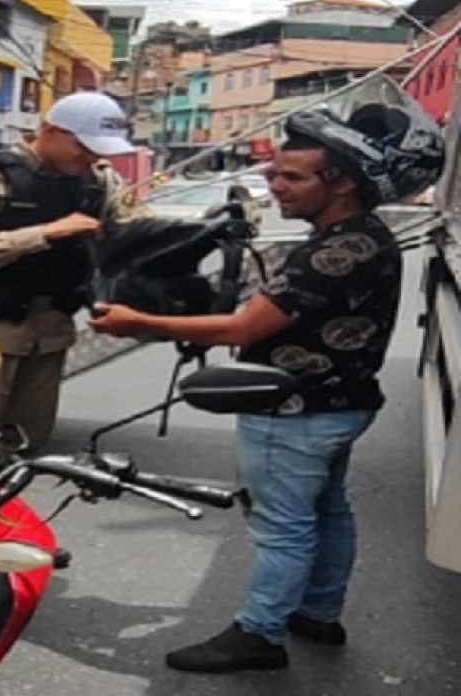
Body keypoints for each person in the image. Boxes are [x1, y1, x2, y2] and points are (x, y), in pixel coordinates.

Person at [90, 100, 444, 672]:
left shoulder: (336, 251)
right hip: (336, 403)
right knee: (326, 511)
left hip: (297, 411)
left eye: (291, 176)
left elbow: (244, 327)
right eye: (273, 172)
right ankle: (317, 612)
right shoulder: (357, 234)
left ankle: (259, 633)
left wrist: (140, 323)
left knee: (282, 526)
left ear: (342, 184)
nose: (271, 183)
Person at [0, 91, 139, 449]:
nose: (93, 157)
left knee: (27, 445)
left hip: (50, 333)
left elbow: (136, 232)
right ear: (50, 130)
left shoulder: (99, 180)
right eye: (83, 146)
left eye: (100, 150)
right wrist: (42, 234)